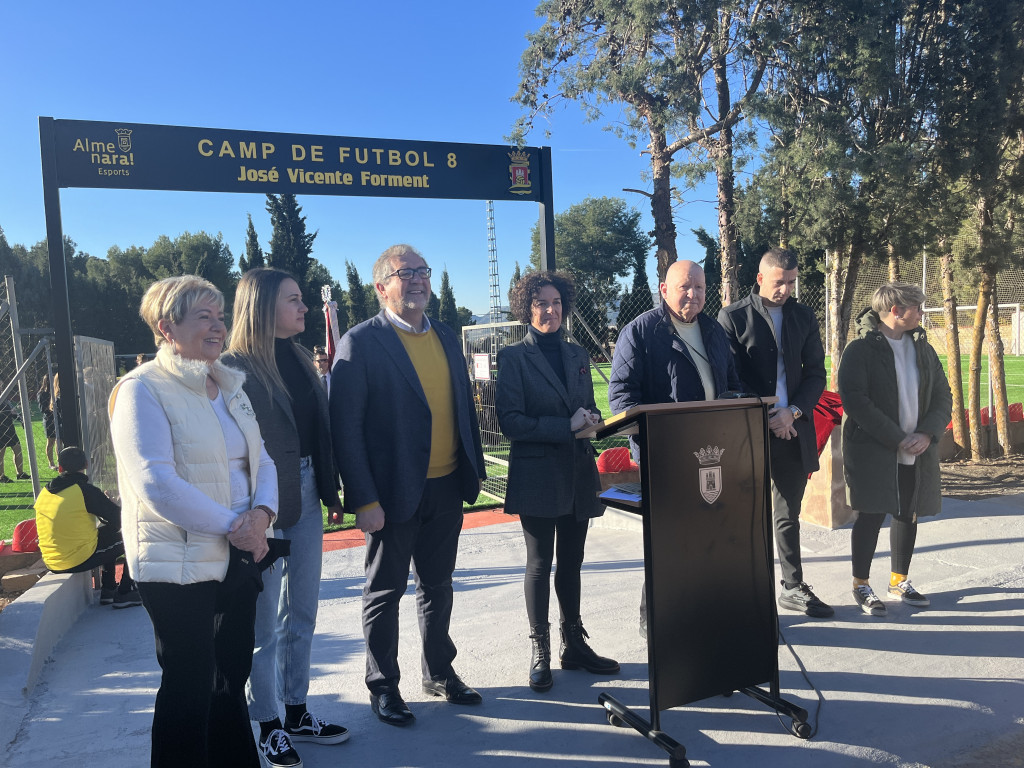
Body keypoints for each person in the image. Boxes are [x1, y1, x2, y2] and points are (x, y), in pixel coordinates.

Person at [108, 275, 280, 768]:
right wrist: (238, 524)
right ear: (166, 327)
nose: (217, 326)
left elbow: (261, 460)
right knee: (190, 683)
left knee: (230, 677)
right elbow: (155, 483)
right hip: (177, 565)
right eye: (203, 316)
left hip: (237, 554)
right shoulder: (141, 390)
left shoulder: (227, 385)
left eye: (220, 316)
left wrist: (263, 515)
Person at [330, 244, 487, 727]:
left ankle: (439, 671)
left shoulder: (443, 333)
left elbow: (462, 405)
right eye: (405, 273)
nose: (418, 280)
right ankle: (383, 685)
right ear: (382, 287)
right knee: (384, 593)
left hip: (445, 486)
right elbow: (346, 430)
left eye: (423, 271)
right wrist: (365, 500)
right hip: (391, 495)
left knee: (438, 588)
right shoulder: (360, 343)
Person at [223, 269, 348, 767]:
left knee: (304, 611)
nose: (304, 309)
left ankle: (296, 710)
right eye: (294, 301)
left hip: (308, 492)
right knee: (264, 624)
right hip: (261, 504)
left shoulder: (298, 358)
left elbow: (318, 430)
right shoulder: (231, 367)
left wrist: (330, 488)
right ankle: (269, 723)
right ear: (262, 306)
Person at [496, 271, 618, 693]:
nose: (550, 311)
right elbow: (510, 420)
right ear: (527, 309)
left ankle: (573, 644)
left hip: (578, 471)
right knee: (538, 563)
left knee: (572, 561)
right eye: (541, 304)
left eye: (556, 303)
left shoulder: (577, 352)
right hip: (537, 475)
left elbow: (585, 405)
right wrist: (564, 425)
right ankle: (540, 648)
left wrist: (591, 420)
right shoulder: (513, 357)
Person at [609, 259, 741, 634]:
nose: (693, 294)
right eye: (685, 287)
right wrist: (654, 435)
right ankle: (657, 626)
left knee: (710, 543)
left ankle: (702, 617)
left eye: (699, 288)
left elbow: (732, 383)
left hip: (715, 456)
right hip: (666, 458)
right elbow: (620, 399)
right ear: (664, 290)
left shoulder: (714, 330)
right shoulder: (640, 332)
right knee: (668, 546)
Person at [717, 248, 832, 618]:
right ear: (760, 278)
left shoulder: (804, 316)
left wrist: (793, 413)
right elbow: (728, 379)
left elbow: (816, 373)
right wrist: (769, 414)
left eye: (792, 281)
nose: (786, 289)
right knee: (742, 514)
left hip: (793, 429)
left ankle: (793, 586)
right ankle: (744, 589)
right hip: (748, 432)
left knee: (787, 513)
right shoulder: (732, 317)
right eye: (780, 281)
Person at [838, 282, 952, 616]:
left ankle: (899, 579)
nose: (921, 312)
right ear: (896, 311)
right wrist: (896, 437)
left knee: (908, 511)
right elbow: (855, 400)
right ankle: (861, 583)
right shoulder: (860, 350)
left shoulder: (923, 348)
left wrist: (928, 433)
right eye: (916, 307)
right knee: (871, 513)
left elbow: (943, 395)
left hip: (917, 448)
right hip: (875, 449)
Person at [34, 446, 140, 607]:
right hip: (76, 559)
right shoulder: (85, 491)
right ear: (86, 465)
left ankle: (109, 590)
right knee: (137, 538)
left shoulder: (45, 492)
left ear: (60, 468)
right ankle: (125, 592)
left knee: (107, 534)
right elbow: (122, 519)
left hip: (51, 560)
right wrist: (110, 502)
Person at [0, 402, 28, 482]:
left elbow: (14, 413)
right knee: (1, 454)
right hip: (0, 431)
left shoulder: (6, 401)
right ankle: (1, 477)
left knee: (18, 451)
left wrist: (21, 420)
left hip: (10, 430)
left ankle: (20, 473)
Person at [37, 376, 58, 471]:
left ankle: (60, 461)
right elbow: (42, 409)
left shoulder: (56, 391)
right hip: (49, 419)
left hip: (58, 418)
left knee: (59, 440)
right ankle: (51, 463)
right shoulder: (42, 393)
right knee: (51, 441)